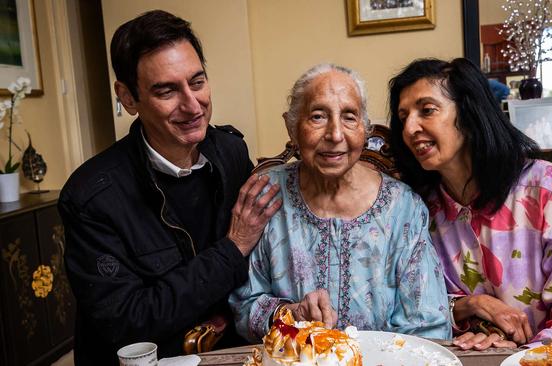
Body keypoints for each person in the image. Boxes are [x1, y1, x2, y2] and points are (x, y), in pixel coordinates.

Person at [58, 10, 281, 365]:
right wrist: (233, 246)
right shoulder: (90, 197)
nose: (192, 106)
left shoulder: (230, 151)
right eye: (166, 91)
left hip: (227, 349)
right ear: (128, 98)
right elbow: (128, 324)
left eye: (197, 82)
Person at [387, 58, 552, 351]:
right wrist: (473, 306)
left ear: (470, 114)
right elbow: (420, 304)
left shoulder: (546, 186)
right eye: (403, 117)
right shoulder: (420, 209)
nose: (410, 128)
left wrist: (525, 356)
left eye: (427, 110)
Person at [229, 64, 451, 342]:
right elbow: (242, 306)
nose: (335, 135)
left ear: (365, 129)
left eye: (349, 117)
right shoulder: (266, 193)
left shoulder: (403, 207)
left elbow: (427, 323)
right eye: (318, 116)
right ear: (292, 126)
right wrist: (290, 315)